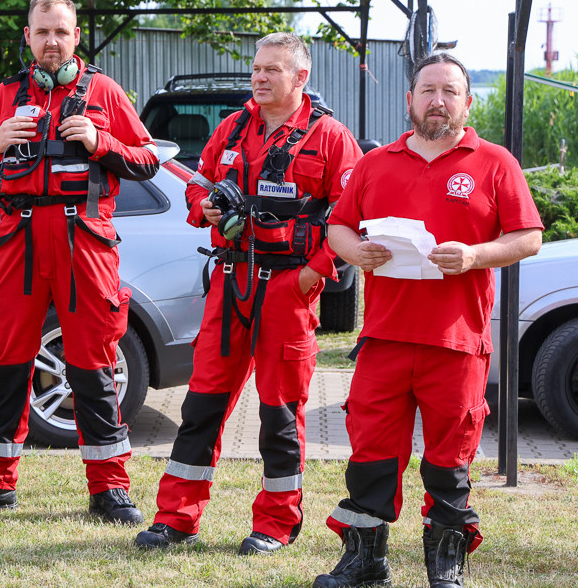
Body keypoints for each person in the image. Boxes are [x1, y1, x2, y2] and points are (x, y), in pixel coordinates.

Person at [313, 53, 543, 588]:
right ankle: (366, 561)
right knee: (370, 453)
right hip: (384, 338)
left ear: (467, 101)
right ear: (410, 98)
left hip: (456, 341)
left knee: (450, 458)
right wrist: (356, 251)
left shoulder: (495, 162)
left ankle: (446, 566)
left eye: (449, 91)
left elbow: (528, 237)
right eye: (427, 90)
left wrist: (474, 256)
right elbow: (338, 227)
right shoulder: (375, 164)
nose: (437, 100)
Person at [135, 32, 363, 553]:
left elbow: (354, 218)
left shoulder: (330, 137)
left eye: (272, 70)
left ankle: (276, 523)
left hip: (288, 289)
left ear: (300, 77)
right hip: (229, 284)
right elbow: (198, 184)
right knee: (202, 405)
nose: (259, 78)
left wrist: (314, 274)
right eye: (257, 69)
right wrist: (206, 208)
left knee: (279, 412)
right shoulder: (233, 127)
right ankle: (176, 517)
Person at [0, 0, 159, 524]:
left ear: (76, 35)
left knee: (94, 365)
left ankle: (110, 489)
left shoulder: (104, 91)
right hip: (18, 241)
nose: (52, 41)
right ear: (29, 38)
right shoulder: (6, 95)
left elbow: (147, 159)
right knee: (8, 364)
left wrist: (101, 140)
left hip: (84, 241)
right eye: (43, 32)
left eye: (61, 31)